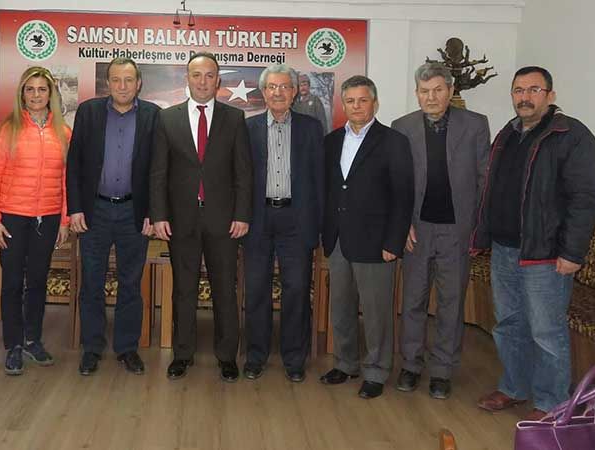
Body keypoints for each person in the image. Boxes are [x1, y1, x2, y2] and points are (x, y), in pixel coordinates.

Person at [473, 66, 595, 420]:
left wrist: (572, 252)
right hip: (504, 249)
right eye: (518, 90)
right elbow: (492, 188)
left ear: (550, 95)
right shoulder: (508, 134)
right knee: (508, 324)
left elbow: (586, 199)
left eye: (534, 90)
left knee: (546, 331)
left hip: (545, 255)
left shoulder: (571, 135)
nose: (525, 97)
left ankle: (551, 403)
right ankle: (514, 387)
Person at [149, 52, 252, 382]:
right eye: (197, 75)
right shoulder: (168, 119)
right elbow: (158, 173)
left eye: (209, 75)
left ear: (218, 81)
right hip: (181, 220)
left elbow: (243, 173)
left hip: (224, 221)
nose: (203, 81)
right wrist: (159, 215)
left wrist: (242, 214)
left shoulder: (234, 118)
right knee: (183, 290)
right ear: (187, 79)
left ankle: (227, 356)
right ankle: (182, 354)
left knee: (225, 290)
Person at [391, 62, 490, 399]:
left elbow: (484, 180)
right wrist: (402, 223)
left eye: (437, 90)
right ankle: (410, 365)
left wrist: (476, 228)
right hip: (417, 230)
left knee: (451, 302)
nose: (430, 97)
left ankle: (442, 371)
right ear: (416, 93)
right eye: (424, 91)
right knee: (413, 300)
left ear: (450, 91)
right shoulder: (402, 126)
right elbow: (398, 183)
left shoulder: (475, 124)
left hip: (456, 231)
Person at [319, 75, 413, 399]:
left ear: (375, 103)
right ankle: (345, 363)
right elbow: (330, 190)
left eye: (363, 100)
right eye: (350, 101)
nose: (356, 106)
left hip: (376, 243)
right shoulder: (331, 141)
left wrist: (393, 242)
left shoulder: (394, 141)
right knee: (341, 308)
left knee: (376, 313)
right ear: (343, 104)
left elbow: (403, 196)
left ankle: (376, 370)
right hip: (337, 240)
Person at [66, 57, 160, 376]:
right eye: (116, 80)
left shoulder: (152, 115)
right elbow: (75, 164)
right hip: (95, 211)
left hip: (135, 212)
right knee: (91, 281)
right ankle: (92, 348)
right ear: (107, 83)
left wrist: (153, 212)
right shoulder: (89, 112)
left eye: (128, 80)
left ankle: (126, 348)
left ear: (139, 84)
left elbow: (158, 170)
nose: (122, 86)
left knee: (130, 282)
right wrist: (75, 208)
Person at [0, 66, 72, 376]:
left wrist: (64, 221)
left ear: (51, 94)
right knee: (11, 282)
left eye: (42, 89)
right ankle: (13, 345)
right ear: (22, 93)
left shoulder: (63, 132)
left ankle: (33, 340)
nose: (36, 95)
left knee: (37, 281)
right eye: (30, 89)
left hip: (47, 218)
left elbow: (67, 181)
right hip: (11, 218)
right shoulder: (7, 129)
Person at [242, 64, 323, 383]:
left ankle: (294, 358)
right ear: (263, 92)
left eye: (285, 87)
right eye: (272, 87)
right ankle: (256, 356)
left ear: (294, 92)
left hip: (296, 220)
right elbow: (239, 179)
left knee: (297, 290)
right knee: (256, 290)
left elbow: (318, 179)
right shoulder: (247, 128)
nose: (278, 93)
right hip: (257, 219)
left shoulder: (311, 128)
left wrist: (317, 223)